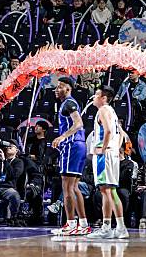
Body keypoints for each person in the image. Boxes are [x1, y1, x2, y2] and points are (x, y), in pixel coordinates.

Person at [87, 86, 129, 239]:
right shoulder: (112, 111)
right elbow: (120, 134)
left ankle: (112, 227)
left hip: (104, 155)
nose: (93, 97)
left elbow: (109, 131)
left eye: (96, 94)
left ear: (104, 98)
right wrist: (115, 149)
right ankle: (115, 227)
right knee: (109, 190)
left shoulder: (103, 110)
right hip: (112, 154)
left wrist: (103, 148)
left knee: (107, 191)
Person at [50, 78, 89, 236]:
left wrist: (62, 137)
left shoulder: (68, 103)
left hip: (72, 145)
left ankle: (71, 224)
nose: (56, 89)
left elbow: (78, 123)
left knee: (67, 187)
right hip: (79, 146)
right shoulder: (67, 103)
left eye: (60, 87)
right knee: (74, 187)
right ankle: (83, 224)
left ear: (68, 89)